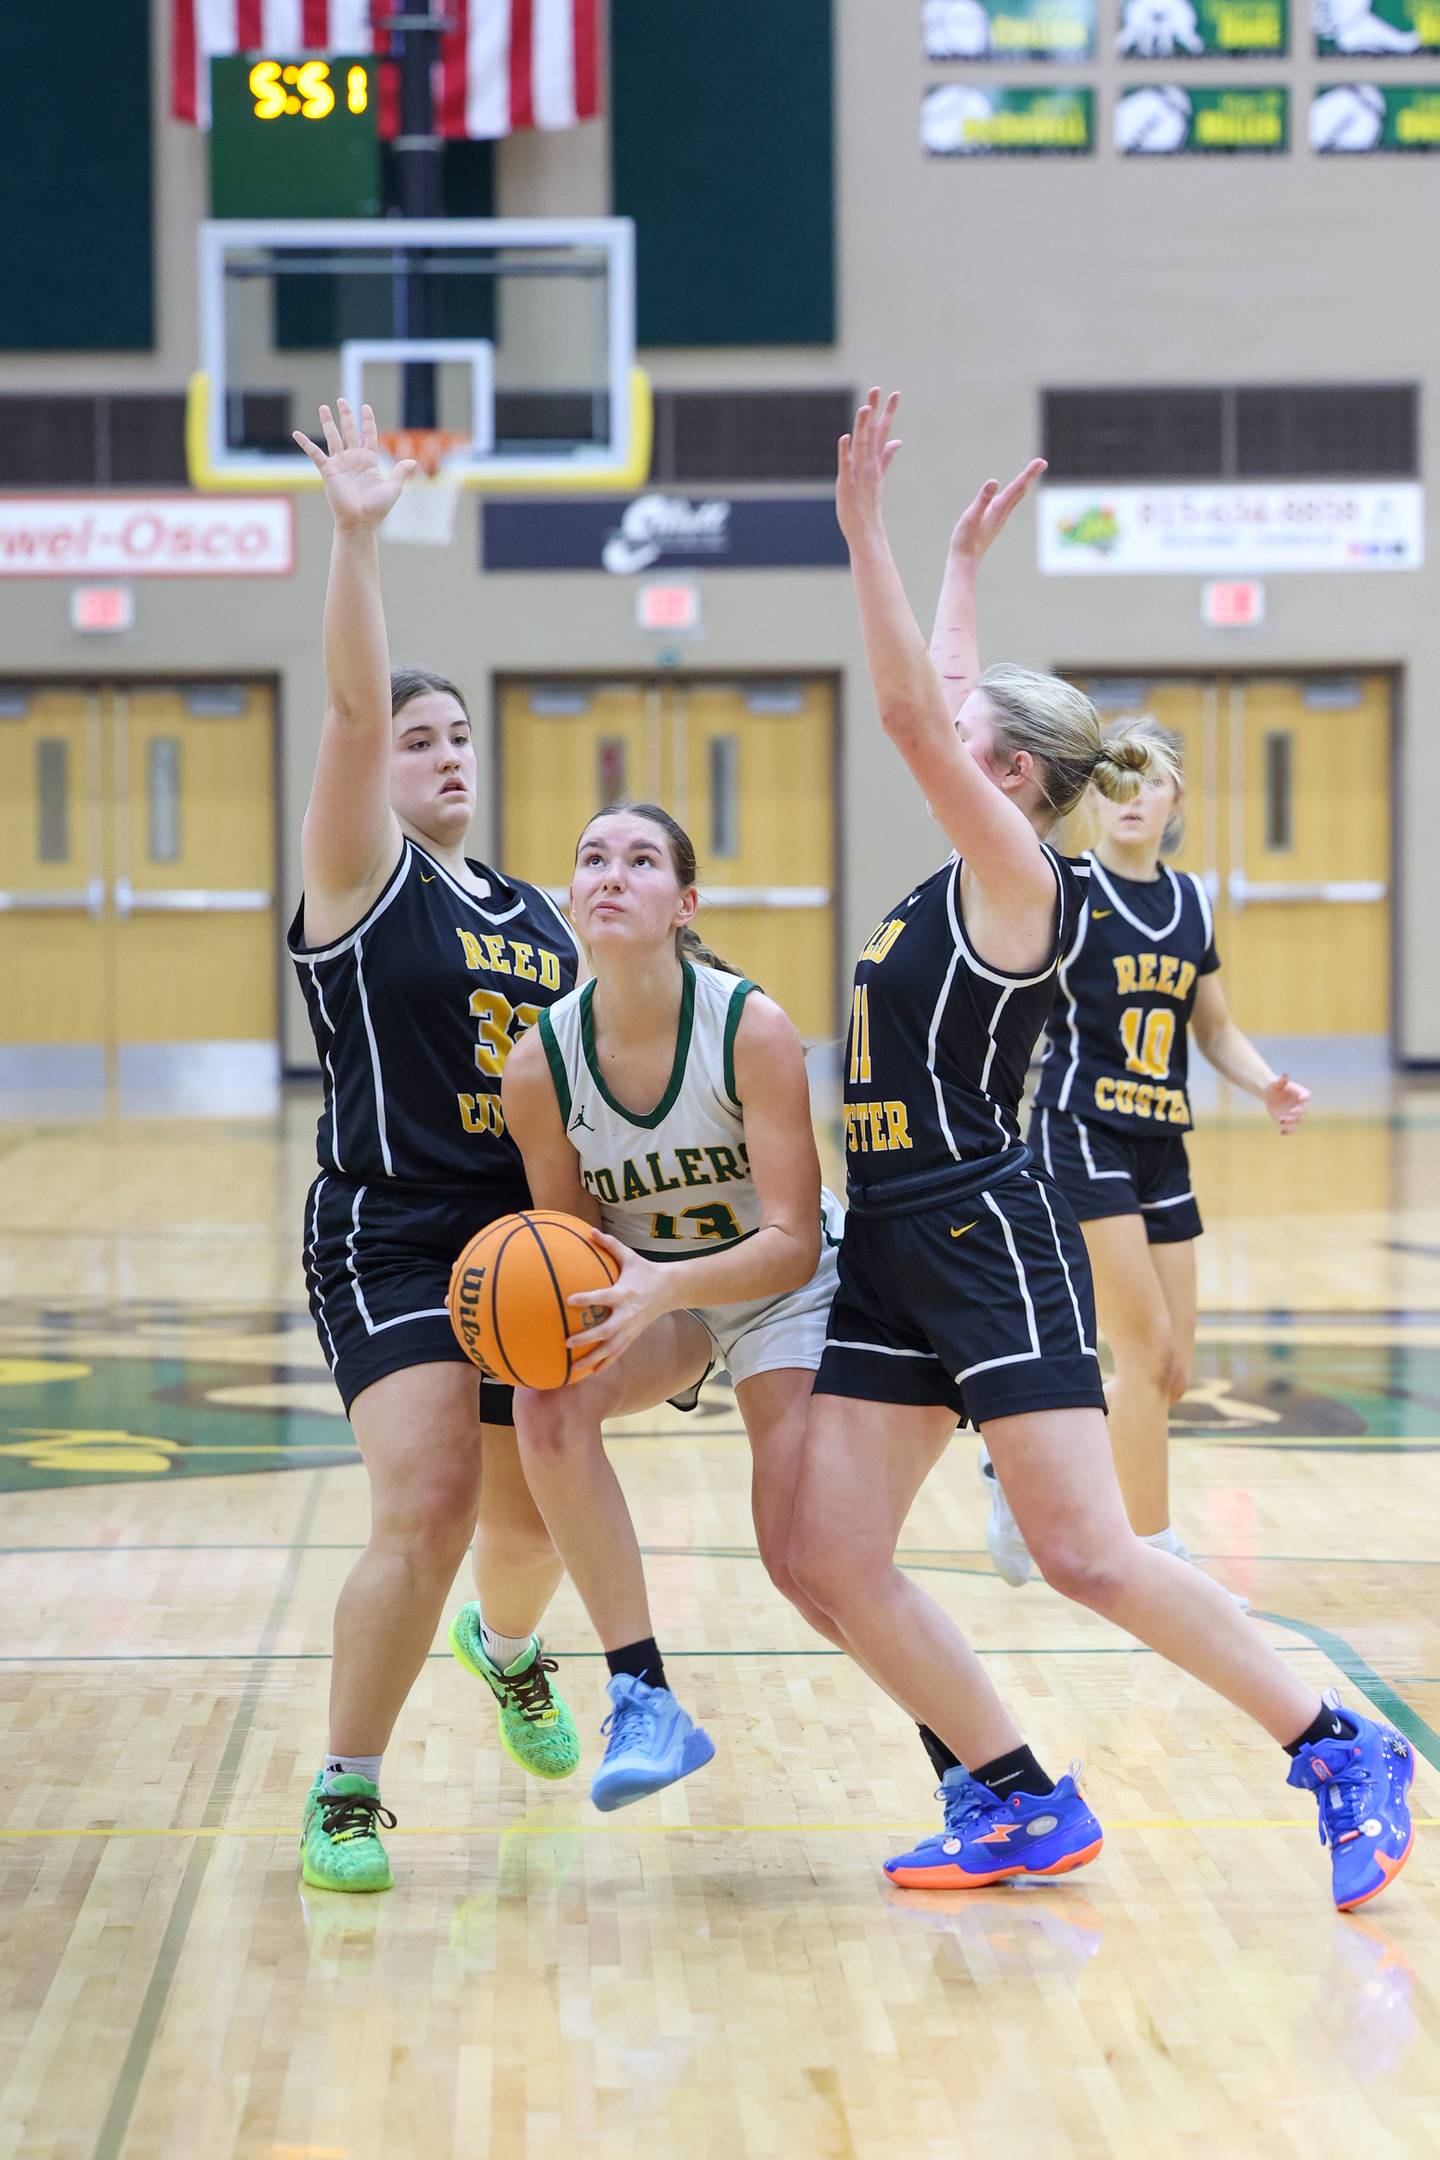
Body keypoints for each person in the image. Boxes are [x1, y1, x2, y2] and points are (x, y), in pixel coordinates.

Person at [786, 389, 1414, 1913]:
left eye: (967, 737)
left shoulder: (1019, 877)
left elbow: (909, 712)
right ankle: (1013, 1797)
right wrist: (952, 566)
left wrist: (859, 533)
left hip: (985, 1233)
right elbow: (942, 694)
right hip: (890, 1236)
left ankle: (1339, 1745)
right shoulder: (974, 850)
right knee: (825, 1554)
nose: (943, 736)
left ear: (1003, 777)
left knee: (1089, 1553)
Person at [289, 400, 583, 1893]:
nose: (443, 753)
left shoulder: (539, 919)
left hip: (523, 1236)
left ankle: (507, 1646)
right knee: (428, 1500)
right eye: (420, 739)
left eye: (460, 735)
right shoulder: (359, 880)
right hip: (392, 1229)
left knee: (531, 1523)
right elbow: (345, 712)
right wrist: (356, 536)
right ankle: (347, 1788)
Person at [497, 800, 848, 1809]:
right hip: (667, 1302)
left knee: (807, 1559)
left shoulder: (750, 1026)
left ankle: (967, 1762)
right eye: (592, 857)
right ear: (570, 897)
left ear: (683, 903)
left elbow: (789, 1245)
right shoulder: (541, 1065)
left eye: (641, 861)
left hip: (783, 1288)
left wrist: (665, 1288)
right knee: (546, 1397)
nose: (611, 874)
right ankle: (640, 1692)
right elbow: (573, 1260)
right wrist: (557, 1312)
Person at [978, 720, 1311, 1587]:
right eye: (1112, 788)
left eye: (1147, 786)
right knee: (1142, 1347)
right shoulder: (1066, 888)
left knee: (1167, 1369)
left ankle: (1016, 1469)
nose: (1130, 802)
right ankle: (1152, 1552)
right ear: (1091, 801)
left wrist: (1266, 1084)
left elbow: (1217, 1026)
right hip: (1079, 1127)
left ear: (1175, 801)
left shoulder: (1192, 901)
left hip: (1163, 1139)